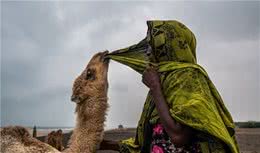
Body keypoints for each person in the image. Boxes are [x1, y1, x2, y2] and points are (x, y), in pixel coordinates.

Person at [102, 20, 239, 153]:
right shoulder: (166, 81)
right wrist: (104, 144)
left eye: (153, 45)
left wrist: (155, 87)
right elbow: (149, 142)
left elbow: (178, 136)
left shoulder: (187, 77)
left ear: (169, 46)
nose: (148, 52)